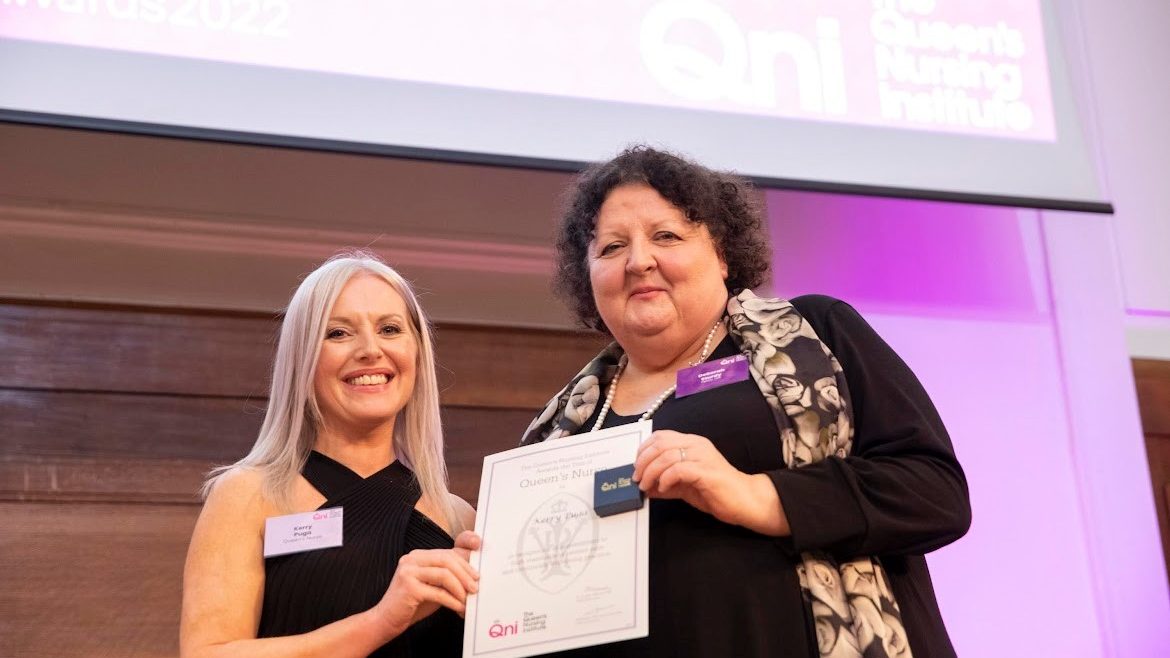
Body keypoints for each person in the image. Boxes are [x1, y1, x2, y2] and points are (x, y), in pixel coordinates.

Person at [522, 146, 971, 658]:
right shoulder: (560, 427)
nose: (639, 260)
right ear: (588, 276)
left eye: (666, 236)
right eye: (610, 248)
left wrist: (758, 495)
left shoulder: (815, 334)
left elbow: (935, 493)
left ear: (722, 254)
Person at [181, 252, 479, 658]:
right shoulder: (246, 496)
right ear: (302, 358)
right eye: (338, 333)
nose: (370, 350)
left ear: (417, 352)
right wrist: (382, 621)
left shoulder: (460, 519)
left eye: (390, 329)